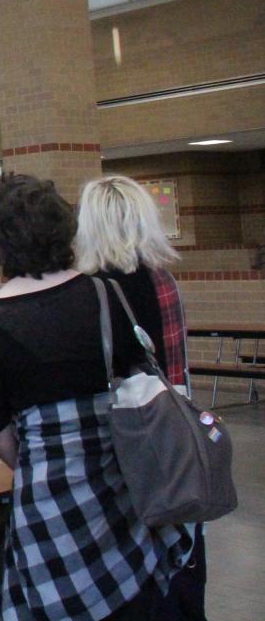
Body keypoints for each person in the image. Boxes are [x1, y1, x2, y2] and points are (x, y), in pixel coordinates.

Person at [0, 174, 192, 621]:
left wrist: (36, 460)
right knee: (131, 592)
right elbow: (140, 382)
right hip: (119, 481)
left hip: (46, 494)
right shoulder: (105, 294)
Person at [76, 174, 203, 620]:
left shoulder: (82, 292)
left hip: (108, 448)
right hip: (168, 440)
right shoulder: (163, 281)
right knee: (178, 571)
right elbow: (176, 368)